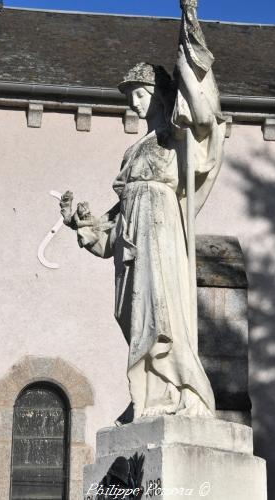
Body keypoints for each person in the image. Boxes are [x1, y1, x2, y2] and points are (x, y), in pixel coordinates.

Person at [61, 0, 225, 420]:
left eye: (139, 94)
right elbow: (116, 219)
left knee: (161, 311)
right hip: (135, 237)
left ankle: (176, 390)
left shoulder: (174, 137)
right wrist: (84, 224)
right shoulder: (133, 151)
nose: (133, 103)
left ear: (157, 95)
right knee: (136, 315)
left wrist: (188, 33)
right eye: (130, 96)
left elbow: (205, 124)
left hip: (161, 231)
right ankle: (149, 396)